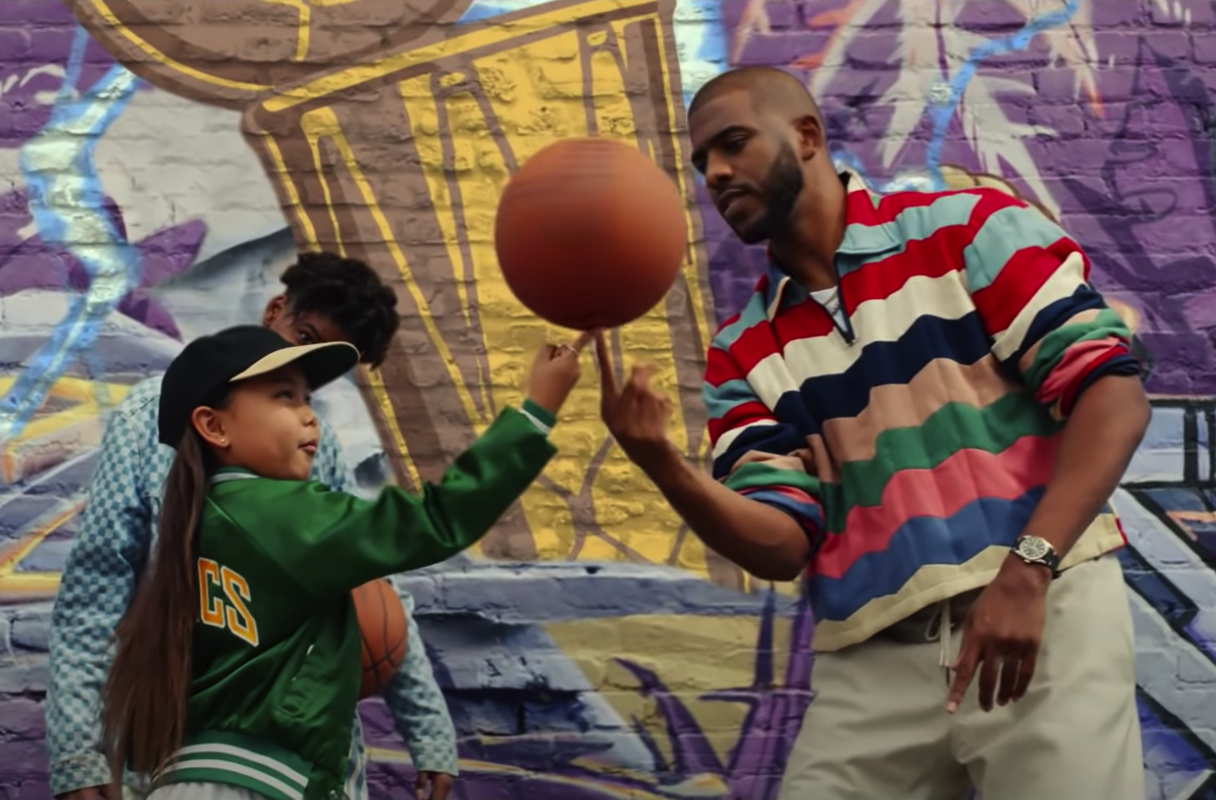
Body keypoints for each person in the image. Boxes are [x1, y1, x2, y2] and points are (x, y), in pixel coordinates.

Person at [594, 66, 1151, 799]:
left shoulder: (967, 230)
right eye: (703, 164)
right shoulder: (741, 352)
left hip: (1042, 612)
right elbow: (783, 542)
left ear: (807, 136)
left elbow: (1112, 394)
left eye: (732, 144)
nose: (717, 172)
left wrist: (1029, 569)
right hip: (872, 660)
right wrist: (663, 464)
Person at [94, 323, 585, 800]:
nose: (310, 416)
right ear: (213, 425)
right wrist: (535, 412)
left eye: (308, 398)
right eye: (284, 396)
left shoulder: (199, 529)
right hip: (259, 780)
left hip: (191, 775)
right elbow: (434, 521)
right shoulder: (282, 516)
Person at [46, 253, 455, 800]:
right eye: (301, 335)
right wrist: (79, 753)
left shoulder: (319, 452)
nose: (300, 368)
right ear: (275, 310)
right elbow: (94, 593)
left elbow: (378, 587)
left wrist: (428, 731)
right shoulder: (149, 418)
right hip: (182, 744)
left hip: (302, 755)